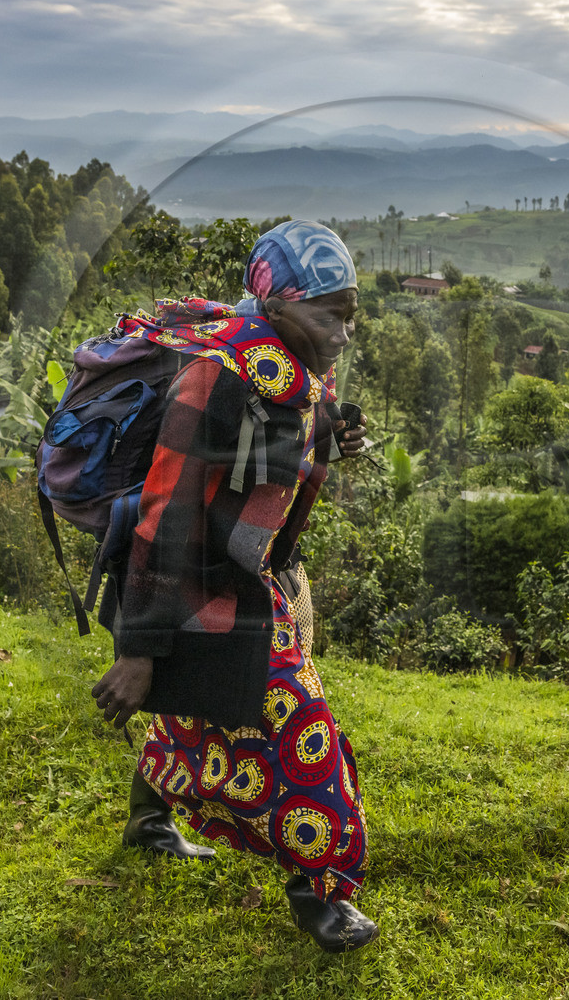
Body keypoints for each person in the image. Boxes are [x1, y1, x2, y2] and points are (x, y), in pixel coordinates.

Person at [89, 219, 378, 952]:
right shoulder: (217, 373)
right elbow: (165, 508)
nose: (344, 332)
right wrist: (141, 648)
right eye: (330, 313)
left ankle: (148, 818)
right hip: (200, 583)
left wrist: (336, 436)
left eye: (349, 313)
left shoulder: (298, 365)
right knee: (303, 735)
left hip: (257, 576)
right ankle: (321, 895)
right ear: (277, 305)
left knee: (201, 712)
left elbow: (288, 442)